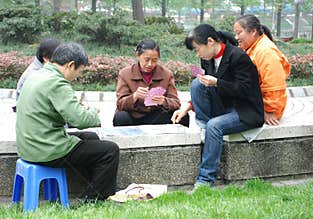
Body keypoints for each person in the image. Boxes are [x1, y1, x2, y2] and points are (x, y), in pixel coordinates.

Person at [16, 42, 119, 202]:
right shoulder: (57, 82)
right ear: (70, 65)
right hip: (46, 150)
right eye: (79, 71)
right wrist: (92, 112)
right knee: (109, 150)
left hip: (29, 147)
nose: (77, 77)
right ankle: (93, 199)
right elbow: (81, 120)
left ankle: (90, 190)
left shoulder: (37, 75)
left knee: (90, 137)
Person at [171, 24, 264, 187]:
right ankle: (208, 132)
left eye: (197, 49)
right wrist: (187, 106)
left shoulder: (238, 56)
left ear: (210, 41)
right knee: (196, 85)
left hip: (245, 110)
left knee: (214, 126)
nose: (197, 53)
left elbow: (246, 90)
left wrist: (218, 83)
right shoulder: (207, 58)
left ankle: (205, 180)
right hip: (224, 105)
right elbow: (207, 87)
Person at [113, 38, 189, 127]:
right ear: (137, 55)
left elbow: (176, 103)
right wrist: (134, 96)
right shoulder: (125, 73)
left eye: (154, 60)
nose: (150, 64)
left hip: (157, 116)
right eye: (146, 59)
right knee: (121, 117)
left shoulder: (166, 74)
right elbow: (120, 104)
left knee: (182, 116)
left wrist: (164, 101)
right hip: (134, 117)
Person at [234, 14, 291, 125]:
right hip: (254, 103)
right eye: (235, 34)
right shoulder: (253, 47)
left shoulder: (266, 52)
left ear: (253, 32)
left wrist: (270, 110)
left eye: (239, 33)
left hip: (266, 111)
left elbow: (274, 85)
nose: (236, 38)